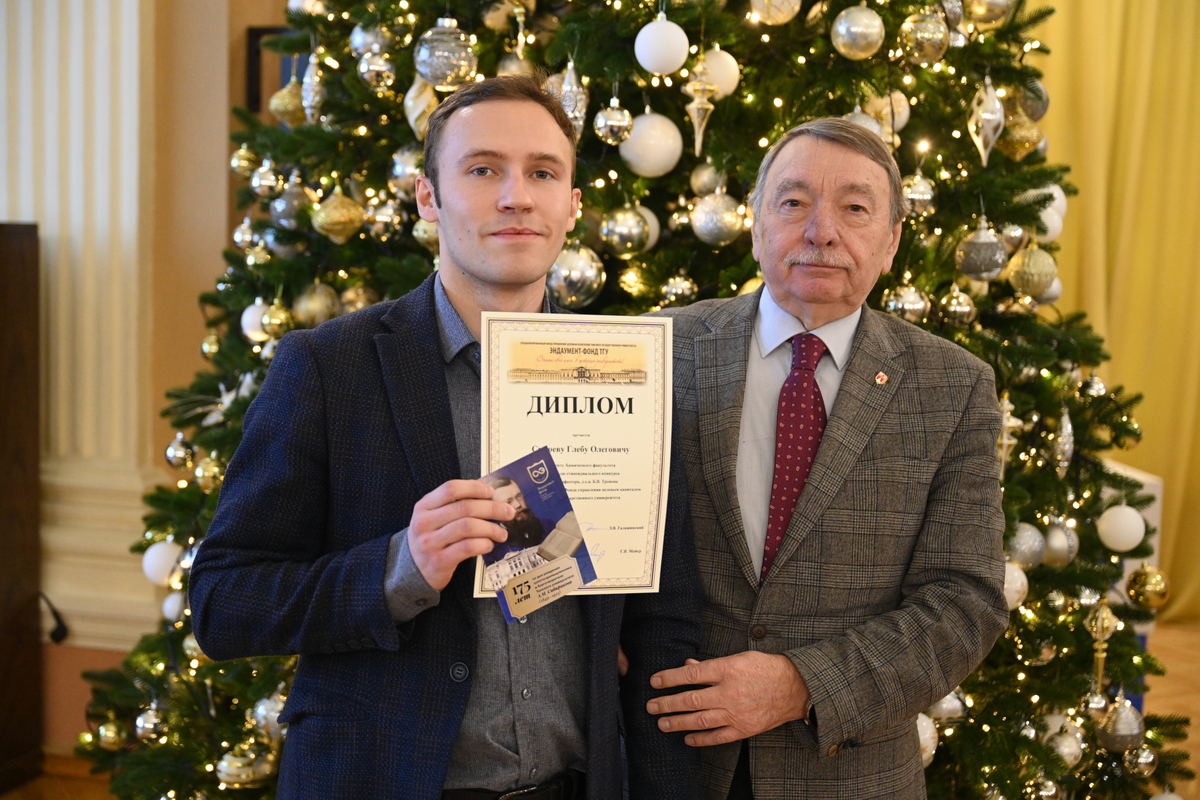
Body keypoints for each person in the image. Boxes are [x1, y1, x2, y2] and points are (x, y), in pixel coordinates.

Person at [189, 74, 702, 800]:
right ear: (428, 198)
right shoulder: (328, 367)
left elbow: (663, 624)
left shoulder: (626, 374)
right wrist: (400, 567)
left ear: (572, 205)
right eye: (483, 169)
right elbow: (223, 602)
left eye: (543, 173)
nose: (516, 196)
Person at [647, 118, 1008, 799]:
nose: (821, 232)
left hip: (850, 774)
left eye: (855, 209)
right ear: (756, 225)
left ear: (891, 241)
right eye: (793, 203)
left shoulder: (952, 387)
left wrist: (800, 685)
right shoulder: (656, 349)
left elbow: (966, 601)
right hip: (663, 760)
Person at [485, 476, 546, 550]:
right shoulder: (494, 548)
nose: (518, 505)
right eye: (509, 502)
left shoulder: (546, 525)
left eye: (519, 496)